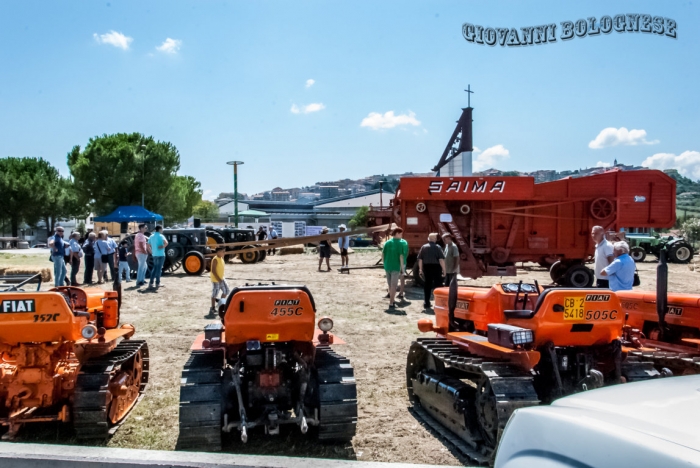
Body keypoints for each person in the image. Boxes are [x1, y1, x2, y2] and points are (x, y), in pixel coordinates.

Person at [417, 233, 446, 309]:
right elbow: (441, 260)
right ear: (435, 239)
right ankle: (439, 303)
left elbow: (420, 259)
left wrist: (420, 269)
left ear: (428, 239)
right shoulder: (438, 247)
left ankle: (426, 302)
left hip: (426, 267)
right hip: (436, 267)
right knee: (438, 285)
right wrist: (444, 269)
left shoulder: (424, 247)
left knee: (427, 285)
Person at [382, 228, 408, 309]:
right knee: (393, 285)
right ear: (397, 233)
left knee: (390, 285)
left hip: (387, 266)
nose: (401, 235)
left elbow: (382, 254)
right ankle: (391, 303)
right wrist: (402, 269)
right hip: (395, 267)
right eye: (400, 234)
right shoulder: (400, 243)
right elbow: (401, 256)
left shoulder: (387, 242)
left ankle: (392, 300)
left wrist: (384, 264)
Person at [147, 225, 168, 290]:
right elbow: (166, 243)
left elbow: (148, 245)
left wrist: (151, 252)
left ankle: (151, 283)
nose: (162, 230)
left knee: (155, 268)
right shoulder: (161, 236)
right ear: (159, 229)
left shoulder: (151, 236)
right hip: (161, 254)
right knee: (159, 269)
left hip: (154, 254)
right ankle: (157, 283)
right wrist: (162, 247)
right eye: (162, 229)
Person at [209, 247, 229, 315]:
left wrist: (221, 278)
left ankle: (220, 302)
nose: (224, 253)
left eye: (224, 251)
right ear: (218, 252)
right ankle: (212, 307)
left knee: (226, 291)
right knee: (215, 293)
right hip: (216, 279)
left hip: (221, 278)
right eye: (223, 251)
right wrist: (218, 279)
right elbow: (213, 270)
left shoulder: (221, 258)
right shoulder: (215, 259)